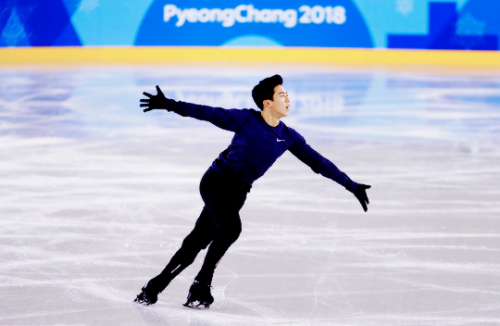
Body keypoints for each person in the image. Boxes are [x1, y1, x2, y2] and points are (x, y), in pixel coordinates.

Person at [134, 75, 371, 309]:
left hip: (238, 193)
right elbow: (207, 112)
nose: (288, 99)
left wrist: (352, 186)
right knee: (230, 229)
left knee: (198, 240)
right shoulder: (246, 119)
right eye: (282, 95)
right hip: (216, 181)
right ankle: (201, 284)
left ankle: (154, 287)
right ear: (267, 103)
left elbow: (319, 163)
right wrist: (167, 104)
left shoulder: (288, 137)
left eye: (287, 95)